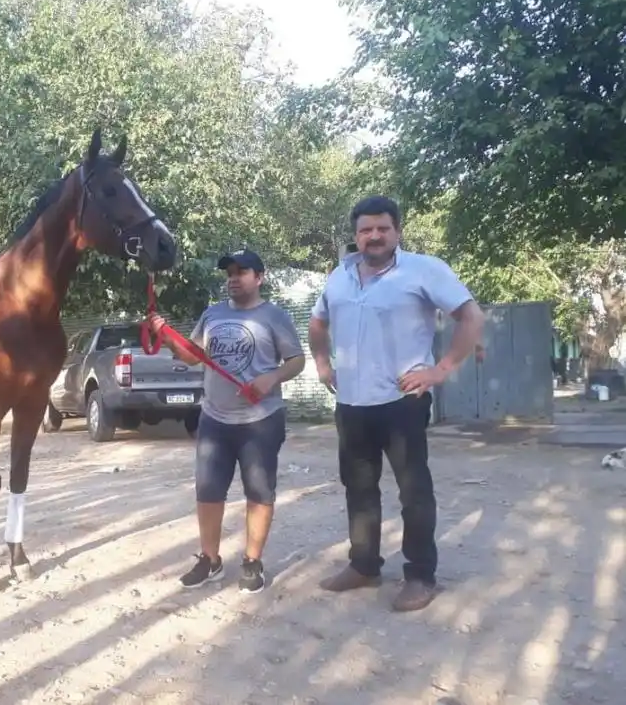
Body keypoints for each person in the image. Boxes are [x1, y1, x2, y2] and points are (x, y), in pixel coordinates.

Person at [308, 195, 485, 612]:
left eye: (382, 228)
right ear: (356, 235)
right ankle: (364, 565)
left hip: (402, 401)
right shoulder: (339, 276)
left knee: (413, 492)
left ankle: (420, 575)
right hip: (351, 403)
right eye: (365, 230)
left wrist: (440, 370)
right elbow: (318, 322)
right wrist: (321, 363)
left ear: (397, 231)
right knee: (359, 489)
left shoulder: (424, 269)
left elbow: (471, 317)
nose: (373, 236)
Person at [148, 249, 306, 594]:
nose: (233, 278)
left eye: (242, 272)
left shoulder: (274, 316)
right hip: (214, 419)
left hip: (260, 420)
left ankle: (252, 562)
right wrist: (168, 336)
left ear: (259, 277)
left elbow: (297, 360)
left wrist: (271, 379)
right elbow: (193, 357)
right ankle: (210, 560)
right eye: (229, 273)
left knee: (259, 492)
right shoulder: (213, 314)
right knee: (208, 491)